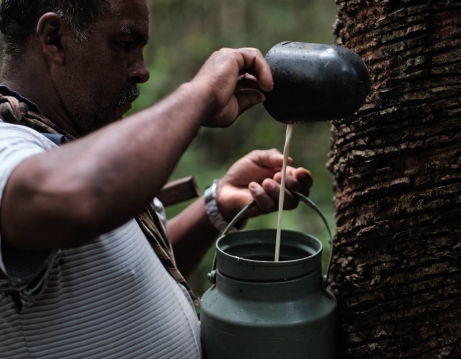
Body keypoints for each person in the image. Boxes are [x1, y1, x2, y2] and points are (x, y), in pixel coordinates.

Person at [0, 0, 313, 358]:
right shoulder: (9, 143)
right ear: (54, 40)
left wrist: (216, 207)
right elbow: (77, 200)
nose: (141, 71)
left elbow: (132, 273)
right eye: (124, 44)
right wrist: (199, 95)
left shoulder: (77, 144)